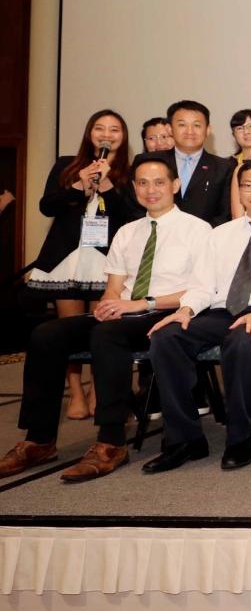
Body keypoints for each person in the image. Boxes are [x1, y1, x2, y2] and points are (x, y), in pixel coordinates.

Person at [0, 153, 213, 483]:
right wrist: (109, 304)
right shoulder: (128, 231)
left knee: (107, 335)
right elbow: (114, 287)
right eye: (142, 183)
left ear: (175, 185)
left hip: (167, 312)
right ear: (135, 188)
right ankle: (38, 439)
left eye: (159, 182)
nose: (151, 190)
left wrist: (140, 303)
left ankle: (112, 441)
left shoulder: (198, 230)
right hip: (125, 313)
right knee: (47, 334)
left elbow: (201, 290)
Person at [143, 160, 251, 473]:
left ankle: (238, 438)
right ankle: (184, 439)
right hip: (222, 311)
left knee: (244, 341)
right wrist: (185, 309)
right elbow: (203, 286)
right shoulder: (220, 234)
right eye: (248, 186)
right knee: (167, 337)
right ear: (239, 191)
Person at [28, 110, 140, 421]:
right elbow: (46, 205)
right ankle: (75, 391)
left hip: (107, 260)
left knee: (104, 327)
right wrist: (79, 185)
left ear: (123, 135)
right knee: (66, 329)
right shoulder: (67, 165)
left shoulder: (130, 172)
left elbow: (132, 216)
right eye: (100, 128)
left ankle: (97, 389)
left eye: (115, 129)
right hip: (68, 258)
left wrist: (105, 186)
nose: (107, 134)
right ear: (90, 133)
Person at [166, 100, 235, 227]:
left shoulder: (224, 167)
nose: (189, 131)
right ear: (170, 129)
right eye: (182, 125)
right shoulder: (150, 162)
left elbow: (225, 214)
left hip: (205, 240)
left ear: (208, 130)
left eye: (197, 125)